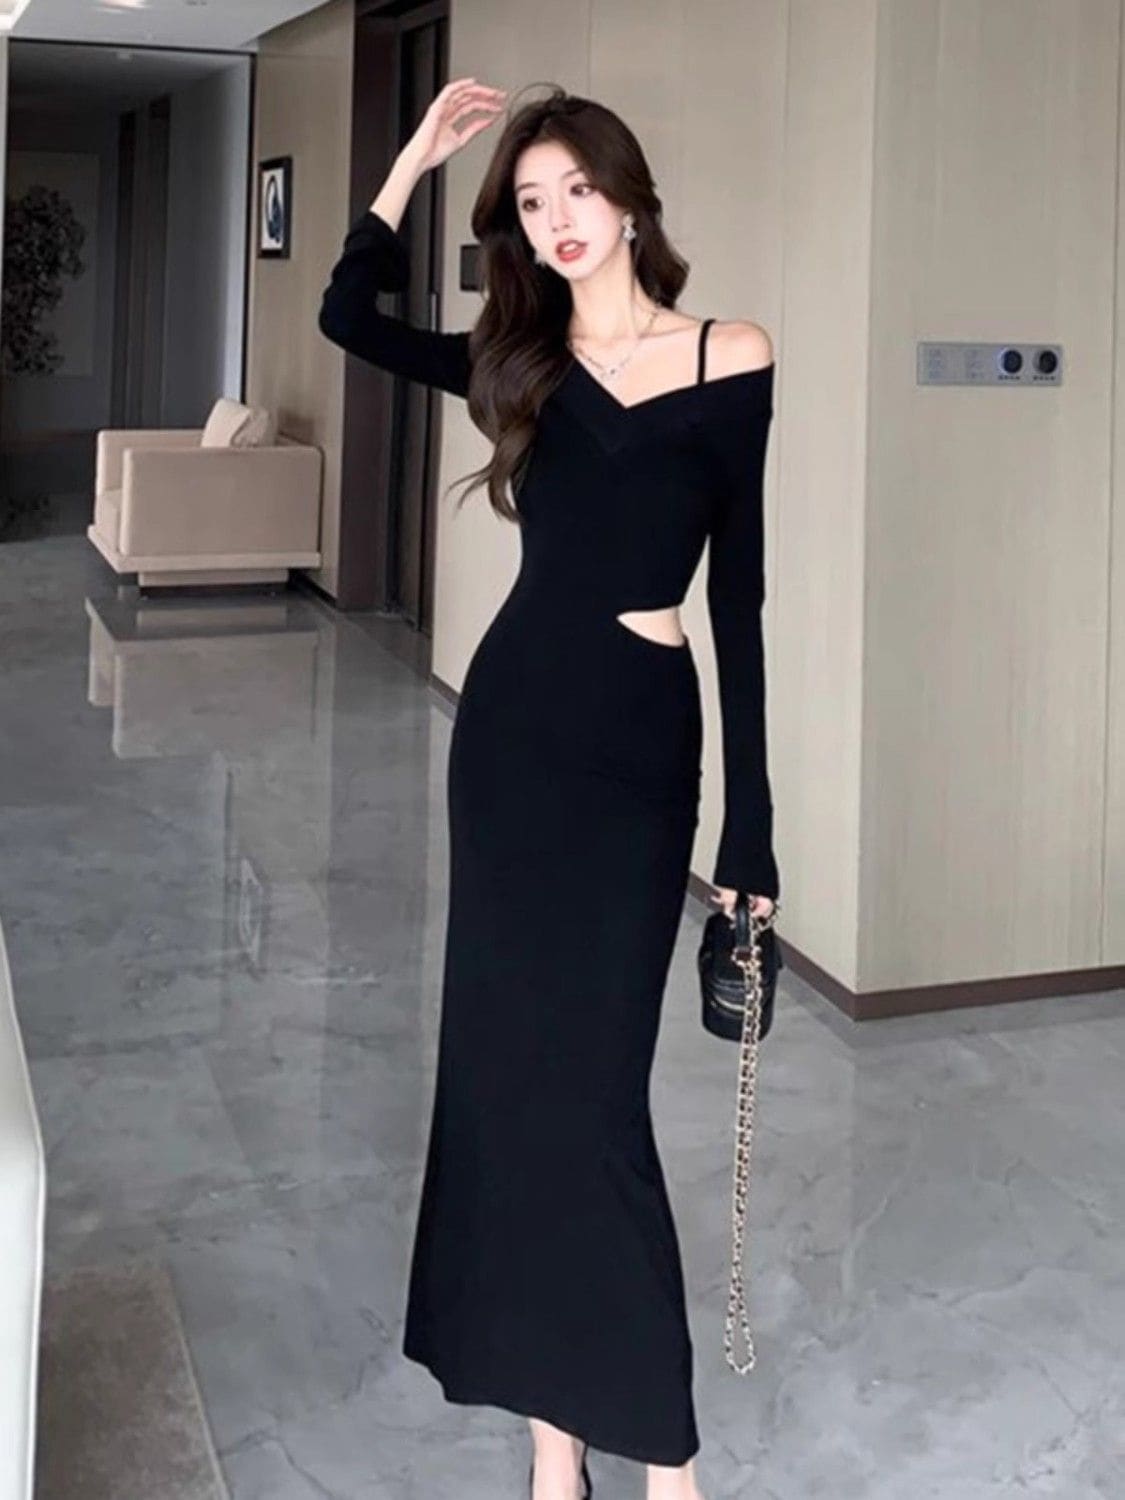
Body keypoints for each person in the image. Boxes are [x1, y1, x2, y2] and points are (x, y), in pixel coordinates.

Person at [318, 80, 779, 1500]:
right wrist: (409, 161)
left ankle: (664, 1453)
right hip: (513, 738)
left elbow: (742, 602)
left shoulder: (731, 354)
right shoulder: (513, 361)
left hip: (638, 748)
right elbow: (345, 316)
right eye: (530, 202)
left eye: (577, 189)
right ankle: (551, 1443)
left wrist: (752, 828)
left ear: (627, 196)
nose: (558, 219)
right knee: (507, 1082)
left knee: (597, 1099)